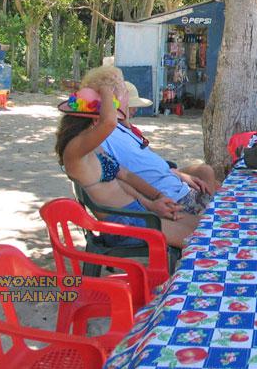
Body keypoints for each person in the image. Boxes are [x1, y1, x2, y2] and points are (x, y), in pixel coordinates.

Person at [54, 84, 197, 248]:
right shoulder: (74, 151)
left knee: (202, 225)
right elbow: (109, 123)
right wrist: (106, 89)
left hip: (136, 213)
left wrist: (154, 201)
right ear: (92, 120)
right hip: (123, 225)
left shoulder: (94, 148)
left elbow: (123, 178)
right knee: (200, 240)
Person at [81, 67, 218, 214]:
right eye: (124, 91)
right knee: (224, 200)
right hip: (173, 197)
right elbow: (123, 177)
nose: (128, 99)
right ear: (113, 98)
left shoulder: (120, 129)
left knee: (216, 183)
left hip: (173, 187)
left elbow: (146, 164)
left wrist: (177, 174)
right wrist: (155, 199)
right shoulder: (102, 136)